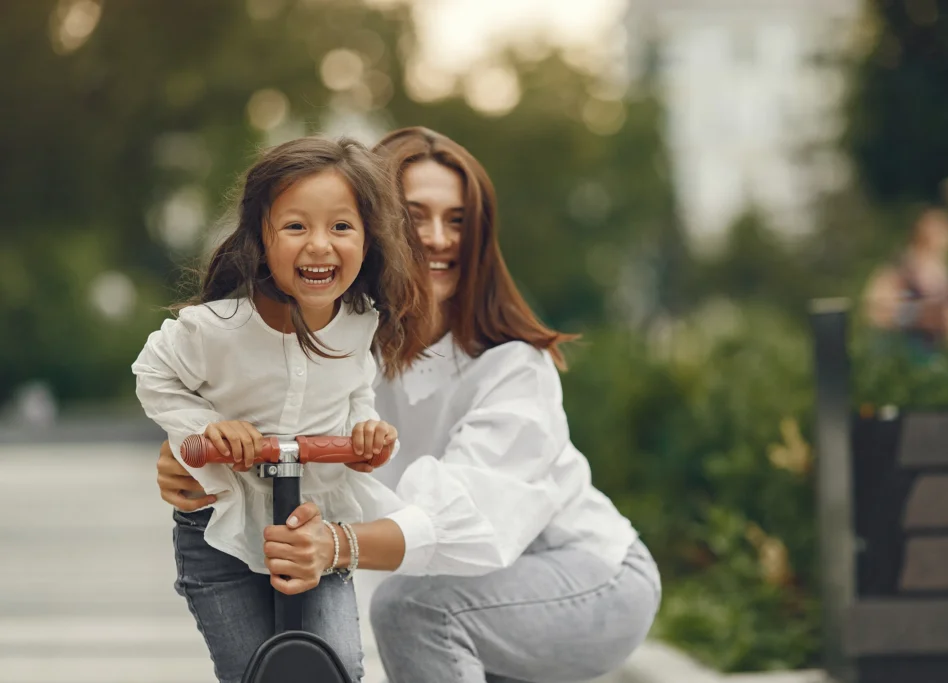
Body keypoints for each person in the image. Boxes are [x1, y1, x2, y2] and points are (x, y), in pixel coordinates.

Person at [157, 126, 661, 683]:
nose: (439, 238)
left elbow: (471, 521)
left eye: (458, 220)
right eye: (415, 216)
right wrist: (194, 450)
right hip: (461, 586)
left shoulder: (512, 366)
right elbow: (257, 414)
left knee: (411, 611)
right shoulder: (342, 345)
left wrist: (337, 545)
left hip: (585, 577)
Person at [134, 135, 432, 683]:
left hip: (312, 524)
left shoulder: (360, 321)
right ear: (261, 239)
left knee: (335, 666)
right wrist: (203, 430)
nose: (319, 245)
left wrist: (362, 433)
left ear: (368, 240)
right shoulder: (218, 328)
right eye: (296, 227)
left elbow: (354, 390)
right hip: (218, 528)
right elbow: (154, 372)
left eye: (341, 227)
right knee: (255, 672)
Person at [862, 206, 948, 358]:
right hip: (904, 350)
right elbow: (873, 309)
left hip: (939, 352)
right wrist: (918, 315)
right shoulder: (901, 268)